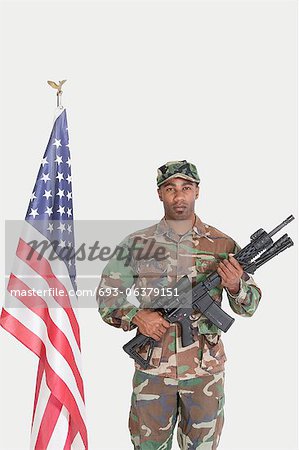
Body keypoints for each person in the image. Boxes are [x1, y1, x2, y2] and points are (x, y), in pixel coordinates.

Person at [97, 160, 262, 450]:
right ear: (159, 193)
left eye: (186, 188)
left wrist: (236, 286)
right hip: (153, 372)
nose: (179, 196)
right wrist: (137, 317)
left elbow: (250, 305)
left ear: (197, 192)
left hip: (204, 374)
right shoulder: (137, 243)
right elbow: (107, 296)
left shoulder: (222, 245)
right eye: (170, 188)